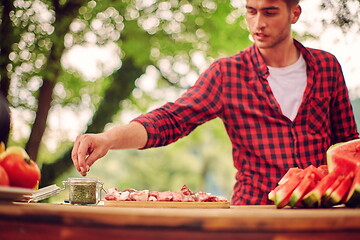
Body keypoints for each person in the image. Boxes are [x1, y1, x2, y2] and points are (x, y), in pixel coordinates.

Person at [71, 0, 359, 205]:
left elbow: (348, 144)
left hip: (321, 210)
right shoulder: (227, 74)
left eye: (270, 12)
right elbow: (171, 120)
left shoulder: (327, 66)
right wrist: (108, 138)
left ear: (294, 13)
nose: (258, 23)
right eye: (251, 11)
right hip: (252, 213)